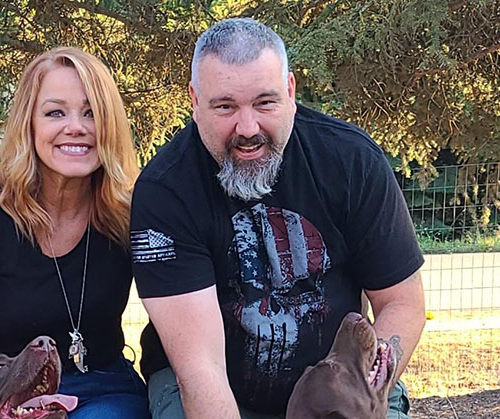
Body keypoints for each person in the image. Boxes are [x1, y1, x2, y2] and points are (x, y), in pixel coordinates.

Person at [130, 18, 426, 419]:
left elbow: (402, 302)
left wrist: (361, 394)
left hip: (339, 389)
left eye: (265, 102)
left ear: (290, 91)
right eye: (225, 106)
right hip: (213, 392)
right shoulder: (165, 191)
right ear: (195, 102)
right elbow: (201, 369)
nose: (248, 128)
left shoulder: (352, 161)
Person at [0, 47, 149, 419]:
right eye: (55, 112)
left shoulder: (129, 215)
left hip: (100, 390)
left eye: (92, 113)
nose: (75, 126)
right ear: (29, 122)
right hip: (0, 389)